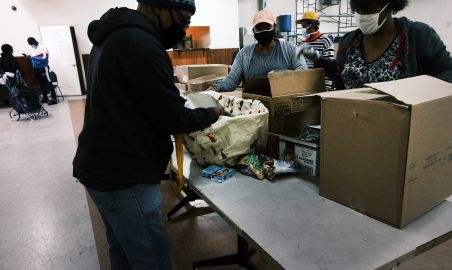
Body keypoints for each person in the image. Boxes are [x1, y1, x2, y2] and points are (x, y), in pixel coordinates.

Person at [72, 0, 224, 269]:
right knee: (150, 257)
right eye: (183, 18)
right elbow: (173, 118)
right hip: (125, 175)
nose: (185, 28)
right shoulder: (140, 43)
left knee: (122, 249)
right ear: (159, 8)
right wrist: (213, 112)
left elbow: (139, 100)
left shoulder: (112, 34)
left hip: (100, 166)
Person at [297, 0, 452, 90]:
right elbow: (341, 72)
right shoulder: (350, 41)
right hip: (352, 122)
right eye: (358, 10)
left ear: (389, 5)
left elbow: (451, 70)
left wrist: (424, 97)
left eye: (367, 9)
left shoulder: (417, 35)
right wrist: (317, 59)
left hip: (398, 131)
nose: (362, 16)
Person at [210, 10, 307, 92]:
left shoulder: (291, 49)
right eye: (259, 28)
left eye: (267, 27)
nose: (263, 31)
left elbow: (303, 72)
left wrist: (279, 76)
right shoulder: (244, 54)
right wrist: (215, 88)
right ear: (253, 30)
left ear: (275, 27)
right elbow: (232, 79)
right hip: (254, 107)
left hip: (283, 103)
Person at [296, 11, 335, 89]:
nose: (302, 28)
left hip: (320, 86)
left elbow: (327, 67)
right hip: (304, 85)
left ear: (312, 24)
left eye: (304, 26)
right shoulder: (302, 43)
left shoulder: (325, 41)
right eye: (302, 26)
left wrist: (326, 88)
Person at [27, 37, 57, 104]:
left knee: (48, 83)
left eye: (32, 44)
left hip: (43, 68)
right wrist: (31, 59)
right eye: (30, 44)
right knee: (41, 84)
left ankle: (54, 98)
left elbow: (45, 58)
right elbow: (33, 59)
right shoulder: (33, 49)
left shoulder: (42, 48)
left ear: (35, 42)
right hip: (36, 69)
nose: (31, 45)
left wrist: (33, 58)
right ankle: (45, 98)